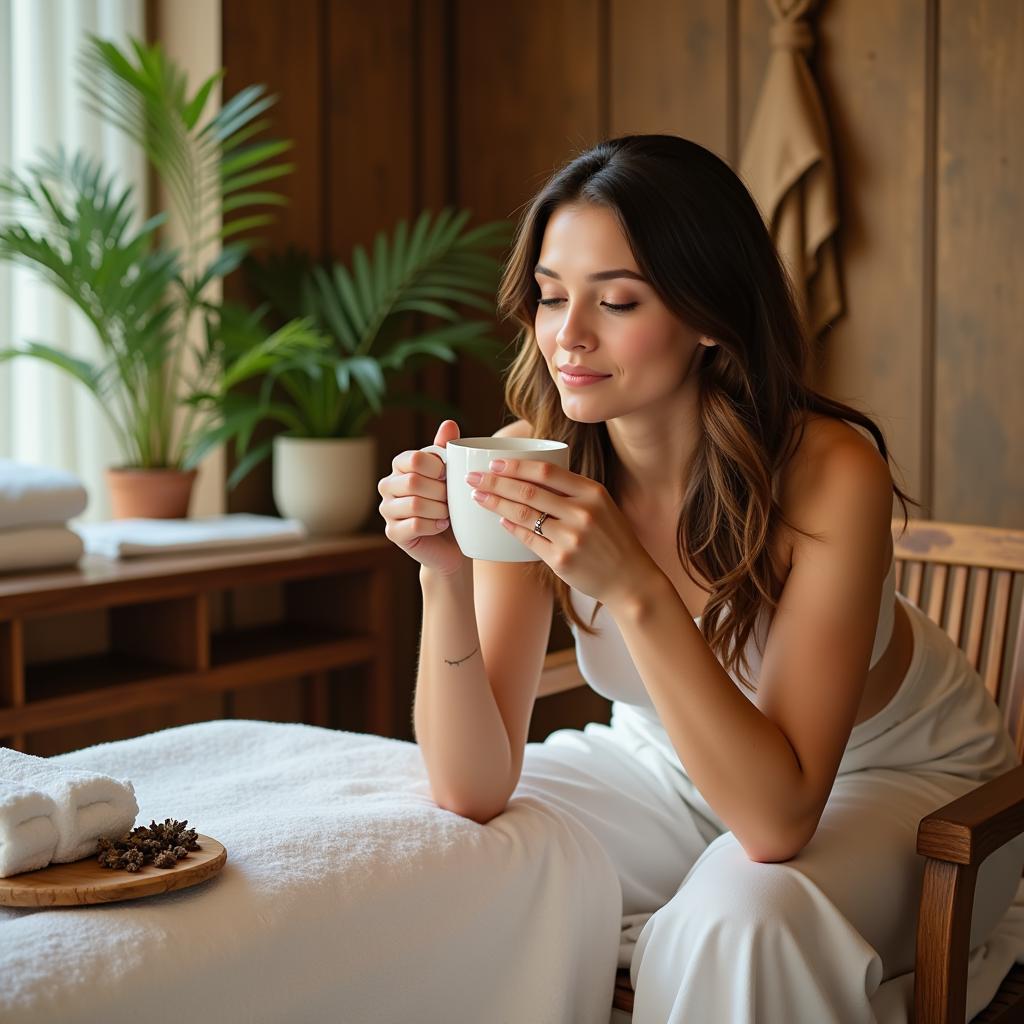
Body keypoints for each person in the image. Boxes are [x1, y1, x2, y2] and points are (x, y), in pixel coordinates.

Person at [376, 134, 1023, 1022]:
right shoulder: (537, 453)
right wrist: (444, 575)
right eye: (552, 296)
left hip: (897, 788)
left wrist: (633, 586)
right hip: (668, 763)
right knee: (449, 850)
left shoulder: (829, 474)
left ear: (709, 314)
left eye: (618, 300)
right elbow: (472, 787)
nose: (569, 336)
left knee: (743, 920)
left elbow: (778, 820)